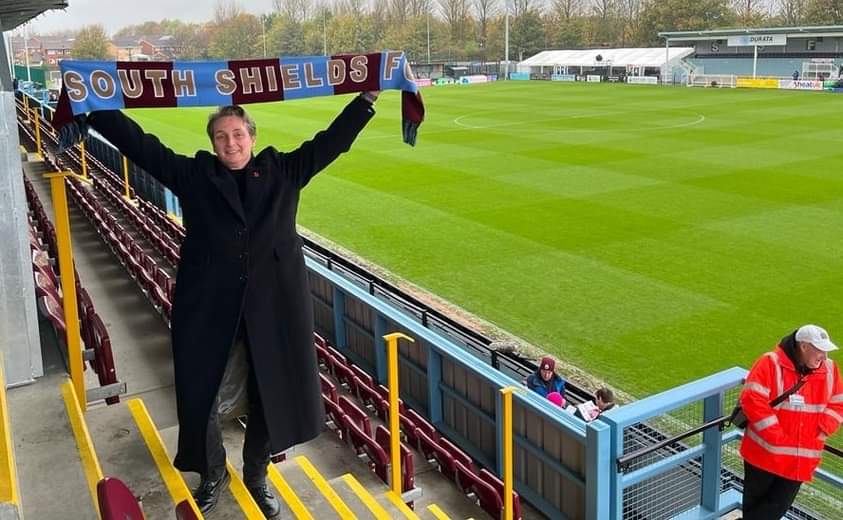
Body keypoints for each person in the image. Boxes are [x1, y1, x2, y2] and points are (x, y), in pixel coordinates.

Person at [83, 90, 381, 516]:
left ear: (252, 138)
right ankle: (213, 473)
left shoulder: (283, 171)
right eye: (221, 136)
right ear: (212, 143)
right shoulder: (195, 176)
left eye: (238, 134)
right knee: (200, 394)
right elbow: (142, 146)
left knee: (269, 393)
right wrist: (92, 106)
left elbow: (331, 141)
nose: (231, 144)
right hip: (208, 310)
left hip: (273, 310)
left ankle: (257, 473)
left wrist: (365, 100)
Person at [739, 324, 842, 520]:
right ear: (803, 346)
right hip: (764, 456)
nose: (824, 356)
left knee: (773, 510)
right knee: (755, 508)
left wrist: (824, 428)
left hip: (797, 461)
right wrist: (777, 437)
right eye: (820, 350)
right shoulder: (770, 363)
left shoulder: (829, 369)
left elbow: (838, 403)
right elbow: (752, 399)